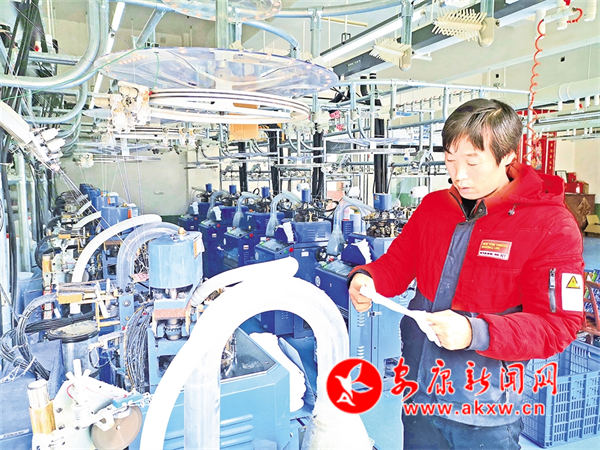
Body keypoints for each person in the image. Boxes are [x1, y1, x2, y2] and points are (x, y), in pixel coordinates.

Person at [348, 98, 584, 450]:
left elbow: (559, 325)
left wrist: (476, 332)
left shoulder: (550, 225)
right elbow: (398, 263)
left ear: (507, 157)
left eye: (473, 162)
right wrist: (368, 278)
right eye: (450, 160)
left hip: (485, 407)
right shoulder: (435, 207)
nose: (459, 175)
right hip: (420, 389)